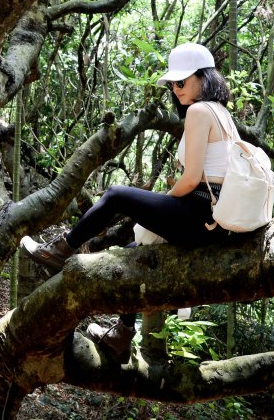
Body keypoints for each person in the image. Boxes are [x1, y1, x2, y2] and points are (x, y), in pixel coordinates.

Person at [20, 42, 237, 362]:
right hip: (214, 222)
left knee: (117, 195)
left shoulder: (199, 111)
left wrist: (160, 202)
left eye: (182, 82)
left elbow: (191, 180)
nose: (176, 89)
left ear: (203, 79)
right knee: (136, 255)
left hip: (200, 214)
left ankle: (61, 248)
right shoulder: (222, 114)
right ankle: (122, 335)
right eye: (173, 84)